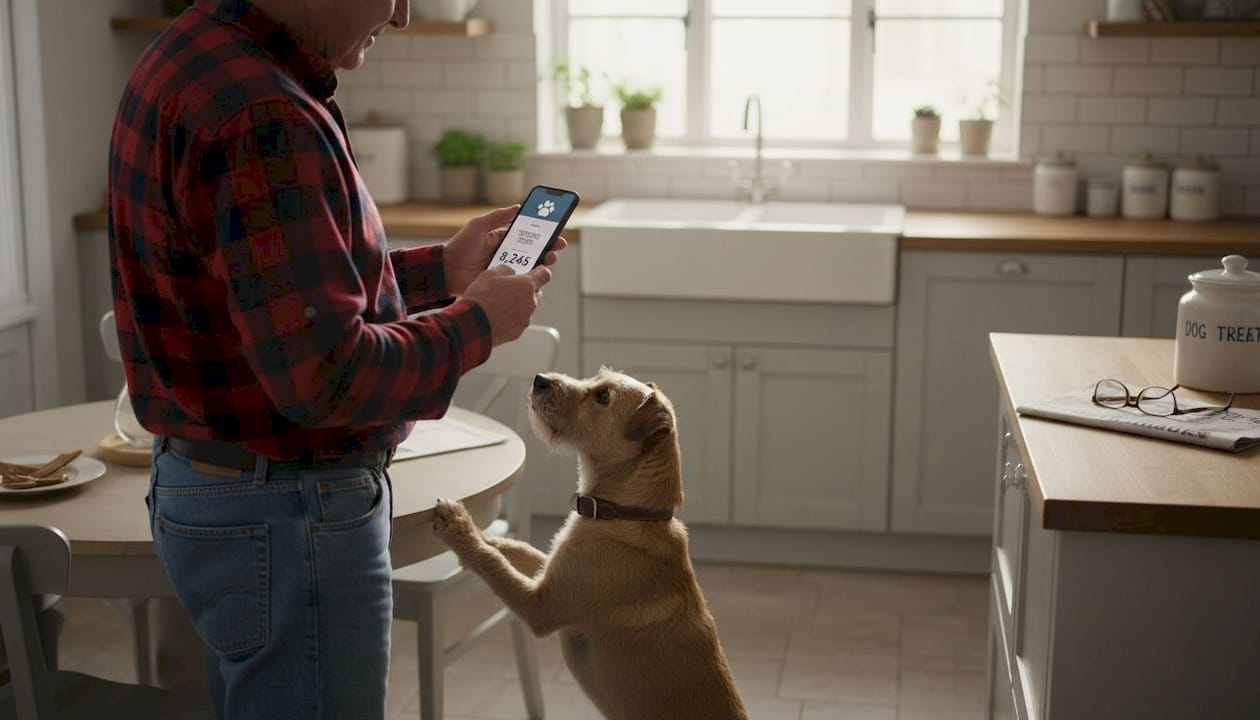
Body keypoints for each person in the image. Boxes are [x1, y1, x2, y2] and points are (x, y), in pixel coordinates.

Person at [106, 0, 563, 716]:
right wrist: (476, 322)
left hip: (214, 488)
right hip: (289, 512)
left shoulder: (194, 52)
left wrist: (438, 271)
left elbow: (271, 294)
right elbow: (330, 378)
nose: (406, 14)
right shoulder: (264, 113)